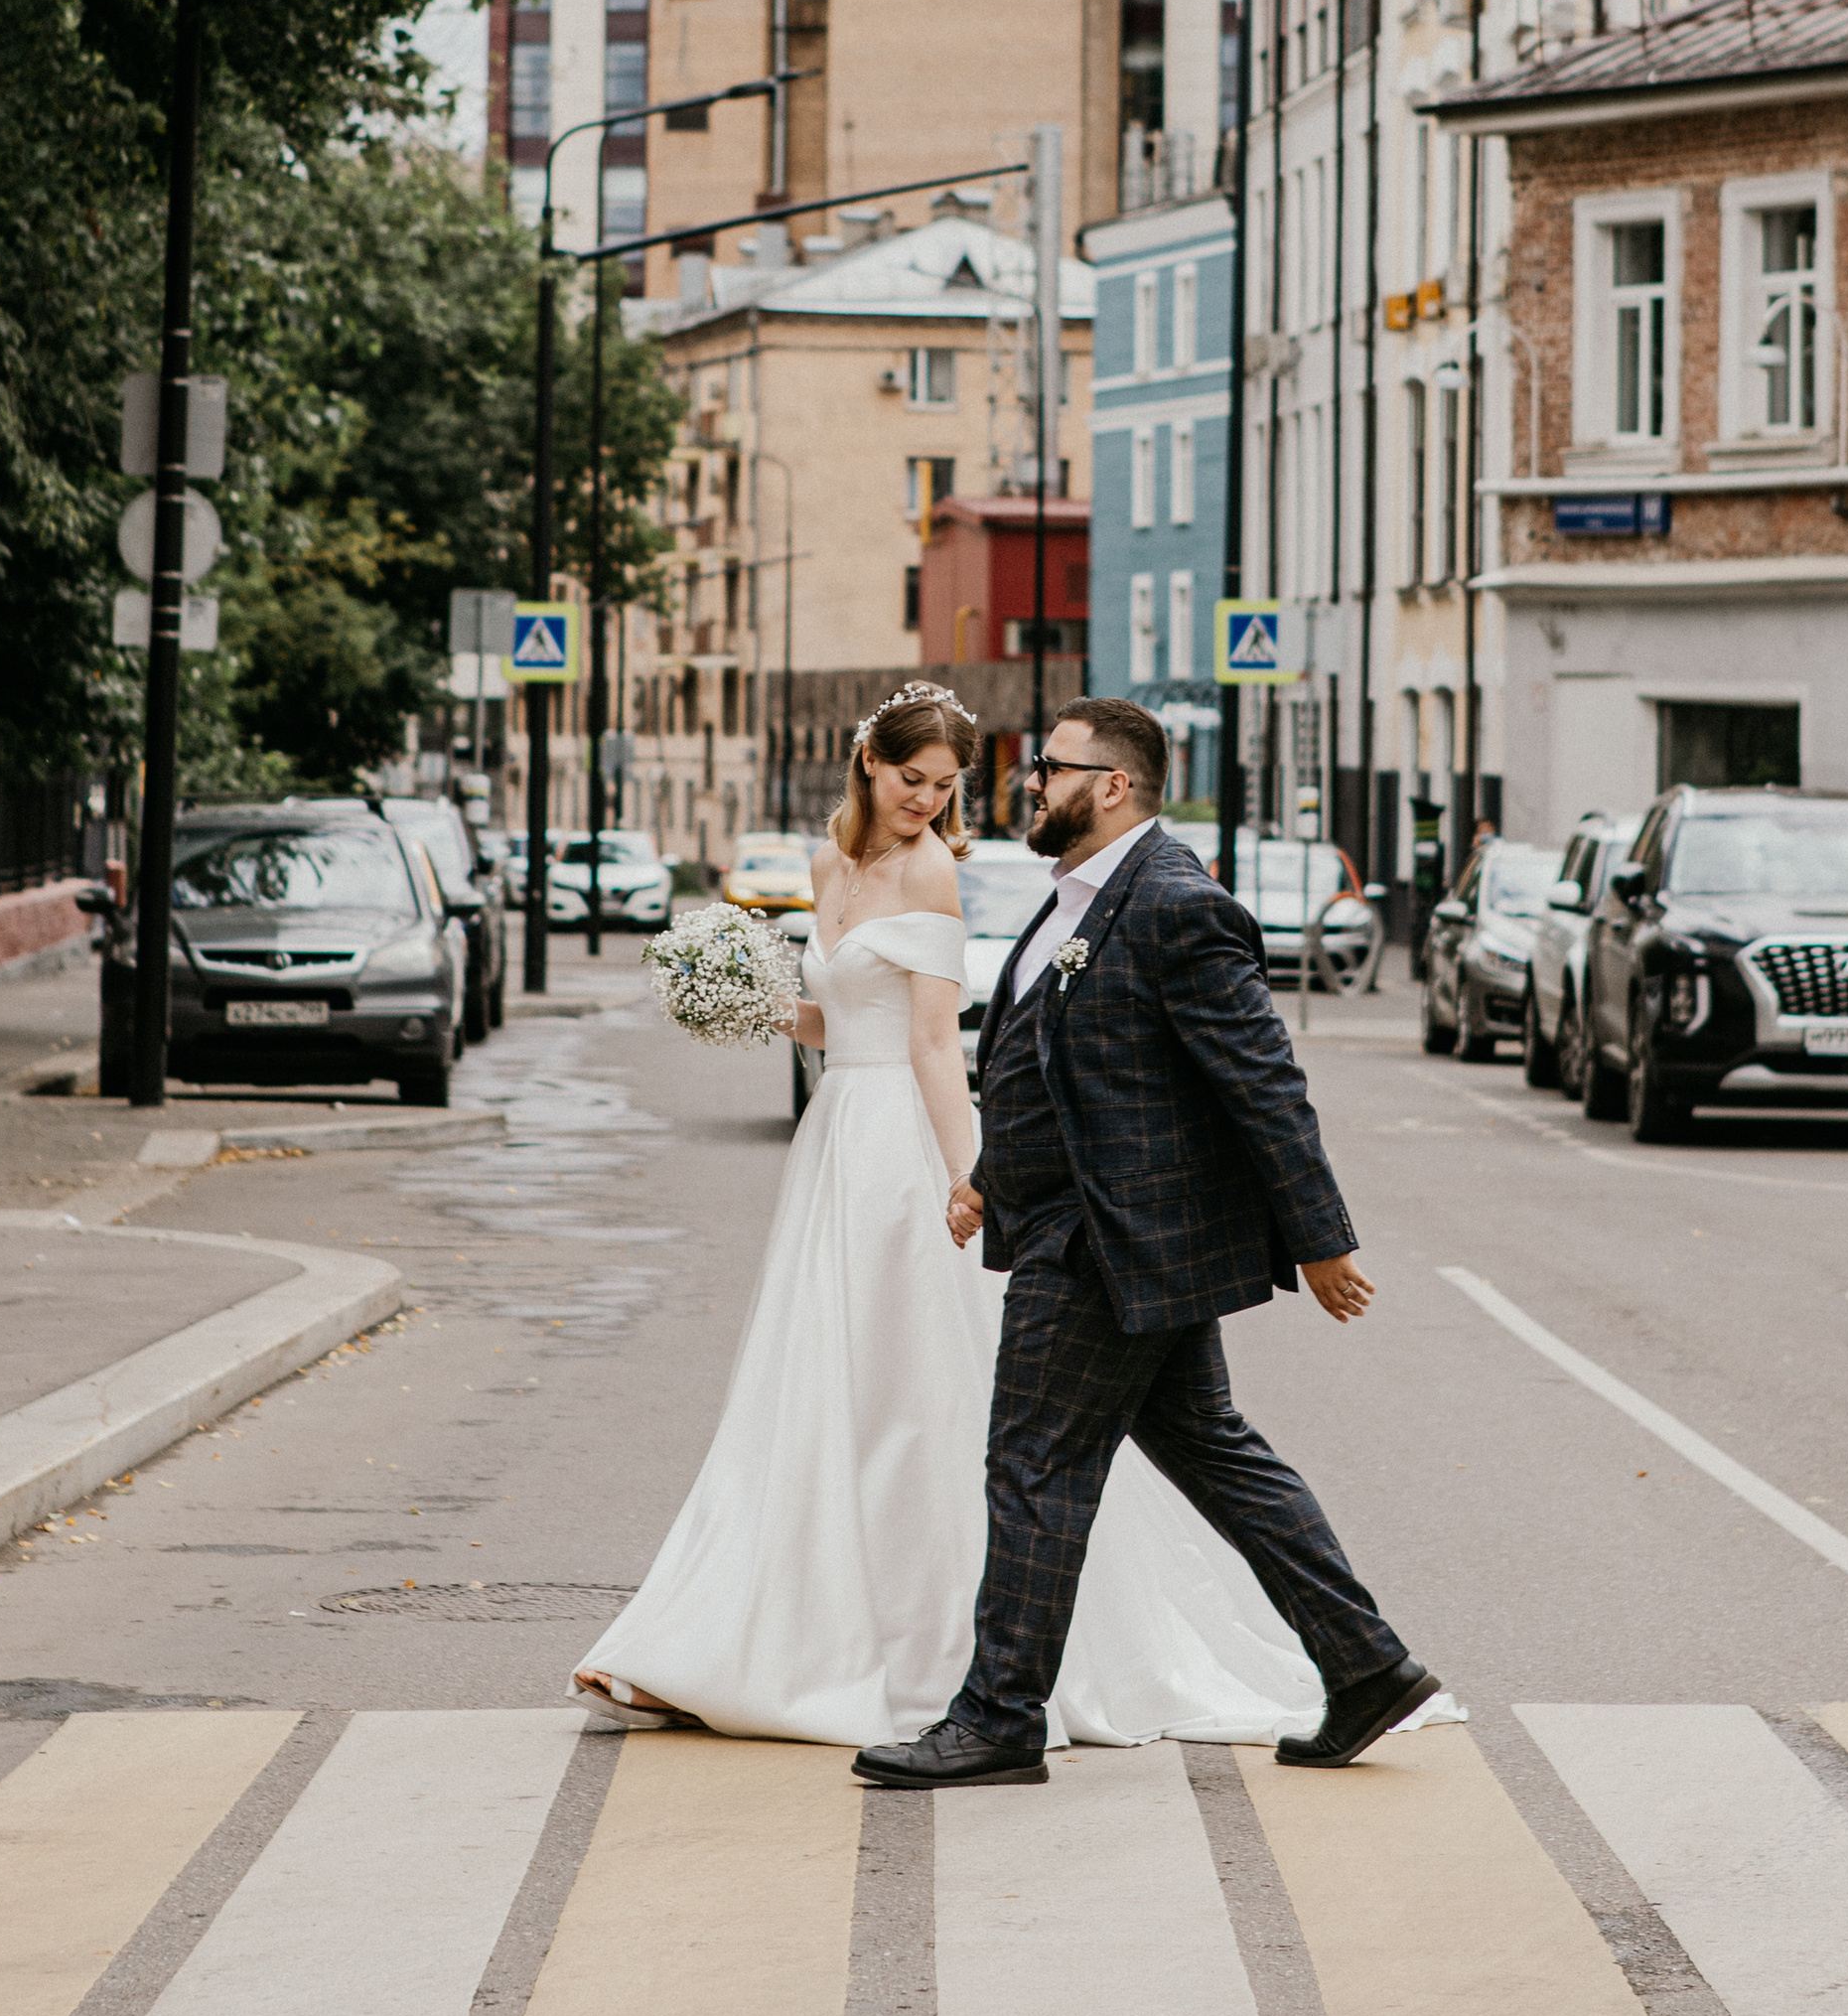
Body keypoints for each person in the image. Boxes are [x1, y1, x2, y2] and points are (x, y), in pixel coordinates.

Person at [574, 683, 1341, 1748]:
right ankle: (751, 1633)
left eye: (945, 788)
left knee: (922, 1406)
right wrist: (747, 1001)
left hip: (903, 1151)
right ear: (867, 764)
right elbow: (842, 1019)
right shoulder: (828, 866)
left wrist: (971, 1176)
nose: (927, 804)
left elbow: (940, 1046)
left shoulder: (942, 875)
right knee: (814, 1387)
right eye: (910, 781)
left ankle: (944, 1672)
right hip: (835, 1139)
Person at [851, 696, 1436, 1793]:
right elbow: (1057, 1069)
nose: (1030, 785)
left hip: (1108, 1243)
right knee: (1215, 1451)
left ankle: (997, 1717)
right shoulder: (1080, 897)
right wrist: (989, 1173)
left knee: (1032, 1465)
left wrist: (1321, 1239)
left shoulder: (1174, 905)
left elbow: (1263, 1082)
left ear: (1110, 785)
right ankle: (1366, 1665)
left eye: (1051, 770)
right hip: (1101, 1234)